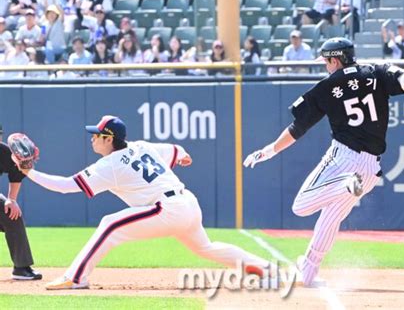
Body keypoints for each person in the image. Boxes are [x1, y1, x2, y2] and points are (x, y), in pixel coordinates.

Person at [243, 37, 404, 287]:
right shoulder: (376, 72)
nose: (325, 66)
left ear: (335, 60)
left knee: (301, 206)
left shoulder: (327, 86)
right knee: (331, 217)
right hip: (370, 169)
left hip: (343, 160)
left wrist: (270, 150)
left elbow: (298, 127)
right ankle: (309, 271)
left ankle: (345, 184)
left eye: (326, 61)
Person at [16, 115, 271, 289]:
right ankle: (263, 267)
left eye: (96, 135)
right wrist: (183, 156)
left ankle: (76, 277)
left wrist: (28, 172)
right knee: (205, 247)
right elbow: (176, 150)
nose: (92, 138)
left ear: (109, 138)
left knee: (109, 224)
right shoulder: (141, 146)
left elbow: (65, 186)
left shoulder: (110, 164)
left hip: (168, 209)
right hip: (188, 203)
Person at [0, 125, 42, 280]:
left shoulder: (4, 152)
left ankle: (21, 268)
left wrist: (11, 200)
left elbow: (15, 174)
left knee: (12, 215)